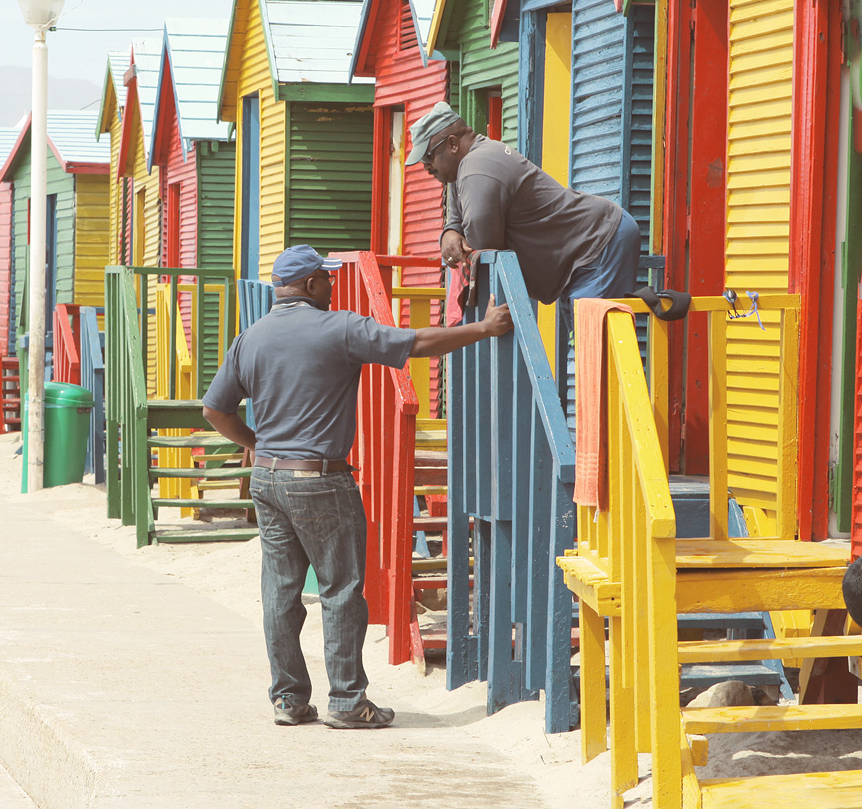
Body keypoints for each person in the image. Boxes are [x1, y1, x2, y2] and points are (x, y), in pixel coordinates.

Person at [201, 244, 513, 729]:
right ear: (309, 286)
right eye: (325, 278)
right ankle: (347, 701)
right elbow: (417, 343)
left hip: (266, 478)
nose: (331, 285)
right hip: (319, 478)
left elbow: (214, 411)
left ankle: (288, 699)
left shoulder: (251, 338)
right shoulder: (339, 328)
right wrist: (484, 328)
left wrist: (257, 443)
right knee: (341, 589)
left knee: (280, 592)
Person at [408, 102, 641, 312]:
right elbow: (458, 218)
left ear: (452, 144)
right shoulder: (466, 168)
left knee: (590, 345)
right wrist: (450, 233)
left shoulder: (477, 166)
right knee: (583, 345)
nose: (426, 167)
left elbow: (482, 242)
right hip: (585, 252)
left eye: (429, 157)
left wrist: (462, 238)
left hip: (599, 244)